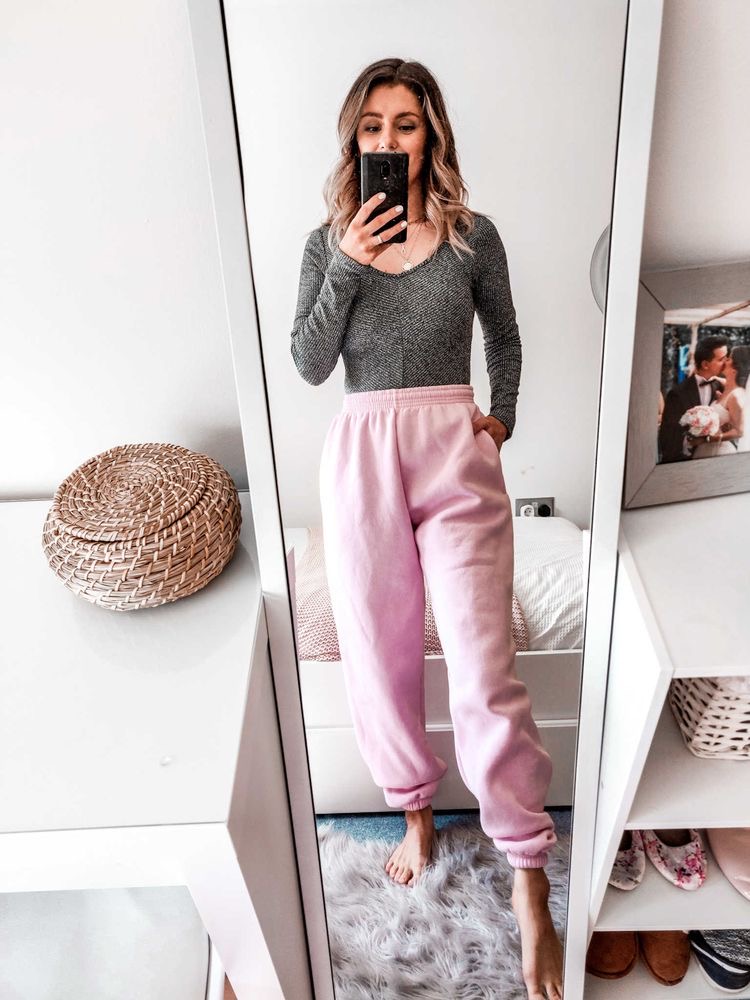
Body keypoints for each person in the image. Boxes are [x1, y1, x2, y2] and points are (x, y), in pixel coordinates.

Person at [291, 57, 562, 1000]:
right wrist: (348, 261)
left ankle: (527, 869)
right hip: (363, 452)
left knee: (485, 665)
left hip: (454, 447)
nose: (388, 141)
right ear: (354, 138)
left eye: (405, 124)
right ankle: (413, 810)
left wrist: (503, 417)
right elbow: (309, 362)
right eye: (372, 126)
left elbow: (506, 337)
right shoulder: (328, 242)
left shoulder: (473, 236)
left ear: (431, 134)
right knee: (378, 653)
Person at [658, 335, 728, 462]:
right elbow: (668, 437)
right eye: (721, 359)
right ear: (705, 364)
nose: (726, 363)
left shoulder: (723, 388)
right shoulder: (677, 394)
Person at [693, 344, 750, 457]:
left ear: (735, 369)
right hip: (705, 450)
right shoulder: (723, 388)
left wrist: (708, 439)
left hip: (719, 452)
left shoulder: (736, 395)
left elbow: (739, 431)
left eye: (729, 358)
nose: (725, 360)